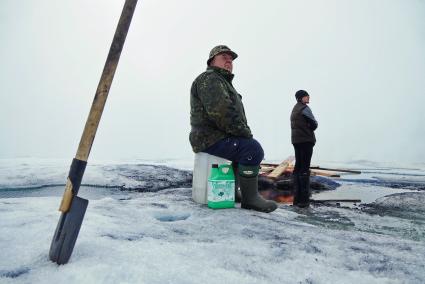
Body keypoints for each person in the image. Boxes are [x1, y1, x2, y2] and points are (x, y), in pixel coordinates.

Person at [189, 45, 277, 213]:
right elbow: (222, 112)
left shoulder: (221, 81)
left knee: (243, 147)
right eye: (224, 57)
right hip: (209, 137)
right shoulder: (210, 79)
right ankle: (250, 199)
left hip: (212, 135)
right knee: (252, 149)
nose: (229, 61)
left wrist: (242, 134)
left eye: (231, 59)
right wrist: (245, 133)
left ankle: (236, 192)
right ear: (212, 61)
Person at [290, 90, 318, 208]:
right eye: (306, 96)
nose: (308, 97)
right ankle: (304, 201)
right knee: (305, 169)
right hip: (306, 140)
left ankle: (297, 200)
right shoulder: (304, 108)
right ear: (301, 98)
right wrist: (310, 126)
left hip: (296, 141)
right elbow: (314, 124)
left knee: (298, 168)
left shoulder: (294, 109)